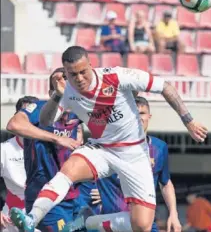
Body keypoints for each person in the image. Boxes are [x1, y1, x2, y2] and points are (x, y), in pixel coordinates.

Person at [10, 45, 208, 232]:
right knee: (67, 172)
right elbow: (45, 121)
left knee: (142, 226)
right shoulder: (68, 92)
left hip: (134, 154)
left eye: (82, 72)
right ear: (67, 73)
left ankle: (90, 223)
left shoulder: (117, 76)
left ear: (90, 65)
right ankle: (32, 218)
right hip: (101, 149)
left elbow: (165, 87)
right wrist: (56, 96)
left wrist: (188, 121)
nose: (78, 78)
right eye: (72, 74)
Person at [63, 96, 182, 232]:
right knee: (69, 228)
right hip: (114, 222)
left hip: (144, 223)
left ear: (149, 116)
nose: (138, 118)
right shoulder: (109, 144)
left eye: (142, 113)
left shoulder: (159, 148)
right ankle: (78, 224)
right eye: (133, 114)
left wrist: (173, 213)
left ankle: (84, 223)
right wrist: (96, 187)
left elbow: (165, 183)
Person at [7, 68, 97, 232]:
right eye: (62, 86)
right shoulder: (39, 108)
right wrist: (57, 138)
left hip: (76, 195)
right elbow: (14, 125)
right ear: (51, 92)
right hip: (45, 197)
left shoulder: (78, 112)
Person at [1, 96, 39, 232]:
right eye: (23, 115)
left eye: (33, 115)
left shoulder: (53, 146)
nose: (28, 120)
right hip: (11, 219)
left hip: (46, 215)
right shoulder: (4, 149)